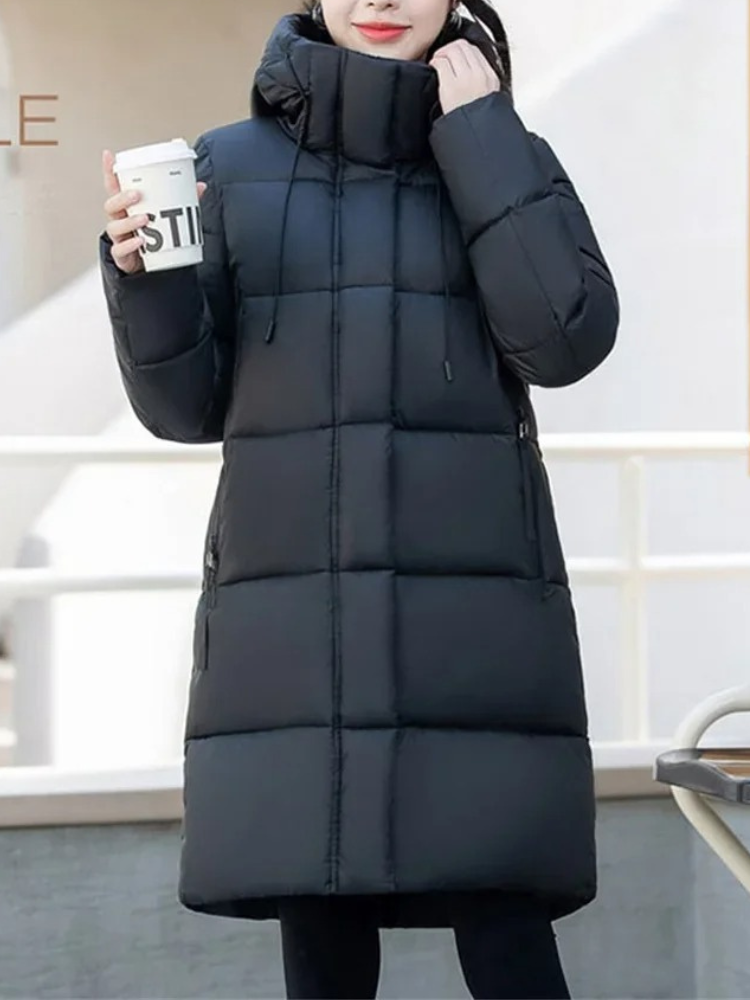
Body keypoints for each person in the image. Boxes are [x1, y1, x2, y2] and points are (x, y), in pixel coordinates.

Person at [98, 1, 619, 996]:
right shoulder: (225, 165)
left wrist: (481, 137)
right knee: (322, 930)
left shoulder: (502, 148)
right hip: (296, 627)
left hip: (475, 629)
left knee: (507, 931)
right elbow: (183, 407)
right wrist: (144, 280)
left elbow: (563, 342)